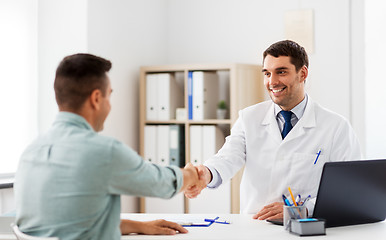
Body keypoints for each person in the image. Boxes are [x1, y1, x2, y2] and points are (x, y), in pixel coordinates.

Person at [14, 53, 204, 239]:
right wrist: (191, 174)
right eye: (109, 96)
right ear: (96, 98)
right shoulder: (103, 152)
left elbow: (68, 225)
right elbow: (162, 184)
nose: (109, 105)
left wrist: (140, 226)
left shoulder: (30, 153)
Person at [184, 40, 361, 220]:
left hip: (305, 226)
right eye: (267, 73)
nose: (272, 81)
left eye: (281, 72)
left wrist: (302, 209)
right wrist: (206, 173)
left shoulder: (336, 127)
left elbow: (349, 189)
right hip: (255, 226)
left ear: (303, 73)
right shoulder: (249, 118)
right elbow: (228, 157)